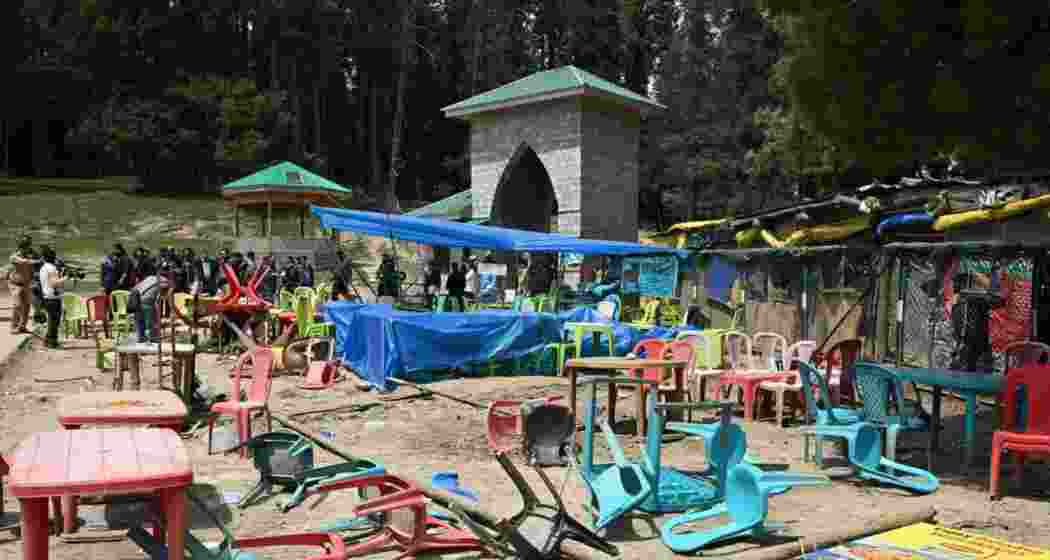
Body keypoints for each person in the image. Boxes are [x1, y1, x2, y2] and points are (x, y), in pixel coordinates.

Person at [130, 269, 172, 345]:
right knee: (152, 322)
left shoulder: (150, 277)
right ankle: (154, 340)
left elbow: (138, 286)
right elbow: (158, 297)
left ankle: (140, 339)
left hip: (135, 298)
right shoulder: (165, 281)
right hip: (147, 301)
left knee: (140, 321)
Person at [7, 235, 37, 334]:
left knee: (27, 306)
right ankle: (14, 326)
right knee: (18, 305)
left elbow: (32, 267)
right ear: (21, 247)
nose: (28, 248)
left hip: (26, 284)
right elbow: (24, 262)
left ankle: (22, 327)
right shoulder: (14, 257)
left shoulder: (30, 255)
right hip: (15, 284)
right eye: (26, 246)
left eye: (28, 245)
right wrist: (37, 260)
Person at [38, 245, 66, 349]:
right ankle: (52, 342)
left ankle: (48, 341)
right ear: (52, 257)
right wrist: (66, 278)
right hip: (53, 298)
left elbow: (50, 283)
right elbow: (54, 283)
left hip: (47, 297)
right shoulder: (51, 268)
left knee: (51, 320)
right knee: (55, 321)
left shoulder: (43, 267)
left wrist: (61, 275)